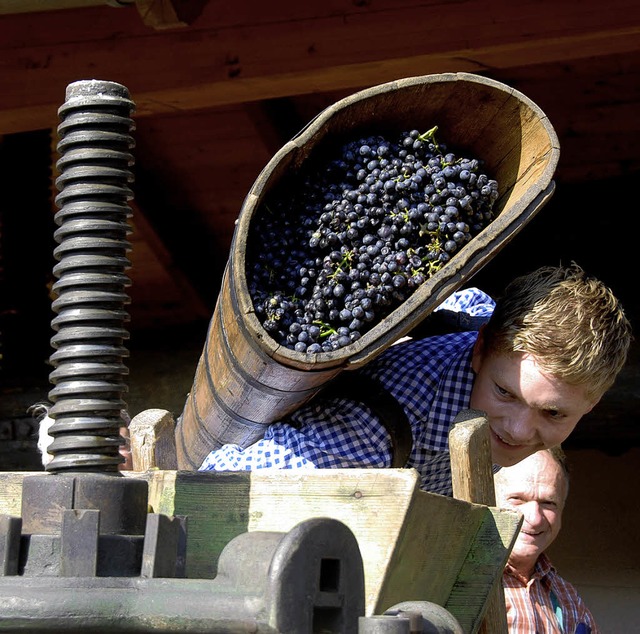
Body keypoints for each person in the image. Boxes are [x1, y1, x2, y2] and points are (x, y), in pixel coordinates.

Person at [199, 263, 632, 496]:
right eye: (505, 392)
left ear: (592, 404)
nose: (518, 429)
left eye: (553, 412)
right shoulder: (387, 416)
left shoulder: (486, 327)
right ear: (479, 350)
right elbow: (229, 487)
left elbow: (473, 301)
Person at [495, 447, 599, 633]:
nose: (535, 518)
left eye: (548, 503)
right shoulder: (453, 582)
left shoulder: (568, 599)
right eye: (517, 499)